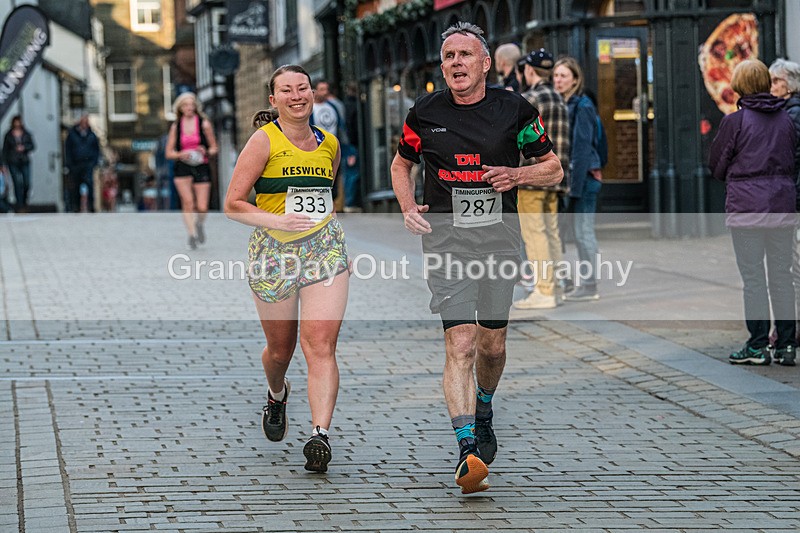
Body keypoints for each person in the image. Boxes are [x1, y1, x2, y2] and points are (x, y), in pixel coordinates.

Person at [391, 22, 562, 494]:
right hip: (446, 243)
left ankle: (484, 405)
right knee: (461, 344)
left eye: (465, 55)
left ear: (486, 64)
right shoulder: (424, 112)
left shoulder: (515, 109)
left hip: (498, 241)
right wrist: (407, 206)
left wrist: (516, 175)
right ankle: (467, 447)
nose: (456, 63)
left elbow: (553, 168)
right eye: (449, 56)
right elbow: (402, 163)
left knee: (492, 347)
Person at [224, 65, 349, 473]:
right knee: (281, 350)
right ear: (273, 99)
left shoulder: (330, 143)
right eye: (287, 90)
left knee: (321, 345)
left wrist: (330, 235)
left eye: (303, 88)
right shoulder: (264, 141)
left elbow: (326, 197)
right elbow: (233, 204)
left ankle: (319, 435)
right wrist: (277, 220)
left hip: (324, 250)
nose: (297, 96)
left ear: (312, 93)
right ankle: (276, 394)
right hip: (273, 252)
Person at [709, 59, 797, 366]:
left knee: (754, 278)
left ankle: (758, 345)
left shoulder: (735, 122)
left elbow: (717, 165)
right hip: (782, 208)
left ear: (739, 86)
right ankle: (786, 345)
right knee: (782, 277)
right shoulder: (786, 119)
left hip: (747, 210)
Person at [514, 49, 571, 310]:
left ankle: (544, 289)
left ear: (529, 70)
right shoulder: (559, 97)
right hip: (556, 177)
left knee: (535, 234)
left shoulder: (530, 99)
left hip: (531, 177)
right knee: (551, 233)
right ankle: (556, 288)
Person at [554, 57, 603, 301]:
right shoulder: (563, 103)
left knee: (583, 232)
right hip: (573, 178)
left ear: (575, 79)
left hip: (583, 178)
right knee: (576, 231)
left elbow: (582, 148)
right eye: (555, 75)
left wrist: (574, 187)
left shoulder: (583, 105)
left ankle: (590, 285)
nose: (558, 80)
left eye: (563, 75)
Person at [769, 58, 800, 351]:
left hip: (794, 200)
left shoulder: (792, 115)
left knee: (794, 266)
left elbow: (789, 159)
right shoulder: (787, 113)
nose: (772, 86)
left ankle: (791, 331)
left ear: (790, 86)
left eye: (776, 81)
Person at [165, 92, 218, 249]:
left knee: (202, 207)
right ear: (180, 108)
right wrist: (181, 154)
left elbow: (214, 148)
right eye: (186, 105)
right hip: (182, 166)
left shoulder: (204, 124)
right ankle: (192, 235)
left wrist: (205, 151)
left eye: (192, 105)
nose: (189, 108)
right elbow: (169, 153)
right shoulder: (176, 126)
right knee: (188, 202)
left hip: (201, 165)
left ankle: (199, 224)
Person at [64, 115, 100, 213]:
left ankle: (91, 206)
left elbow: (96, 150)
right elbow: (68, 150)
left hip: (88, 164)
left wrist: (94, 162)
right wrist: (69, 164)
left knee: (89, 184)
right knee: (75, 186)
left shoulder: (92, 135)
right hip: (76, 164)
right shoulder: (72, 135)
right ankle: (76, 206)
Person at [3, 115, 35, 212]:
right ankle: (20, 205)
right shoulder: (8, 135)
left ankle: (24, 201)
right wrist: (3, 164)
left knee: (26, 183)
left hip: (24, 161)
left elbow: (32, 146)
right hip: (13, 161)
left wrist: (24, 148)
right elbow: (5, 150)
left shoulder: (26, 134)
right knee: (17, 182)